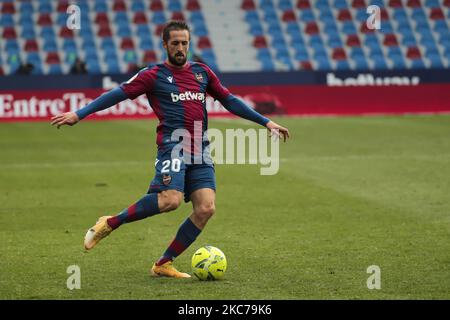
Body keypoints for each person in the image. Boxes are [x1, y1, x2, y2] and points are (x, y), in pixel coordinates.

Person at [50, 20, 290, 278]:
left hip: (200, 148)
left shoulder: (202, 73)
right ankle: (109, 223)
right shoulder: (152, 75)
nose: (180, 48)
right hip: (172, 146)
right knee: (170, 201)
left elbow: (229, 100)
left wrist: (266, 121)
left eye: (184, 43)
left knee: (206, 208)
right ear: (165, 44)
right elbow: (117, 94)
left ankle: (163, 263)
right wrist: (80, 113)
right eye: (175, 43)